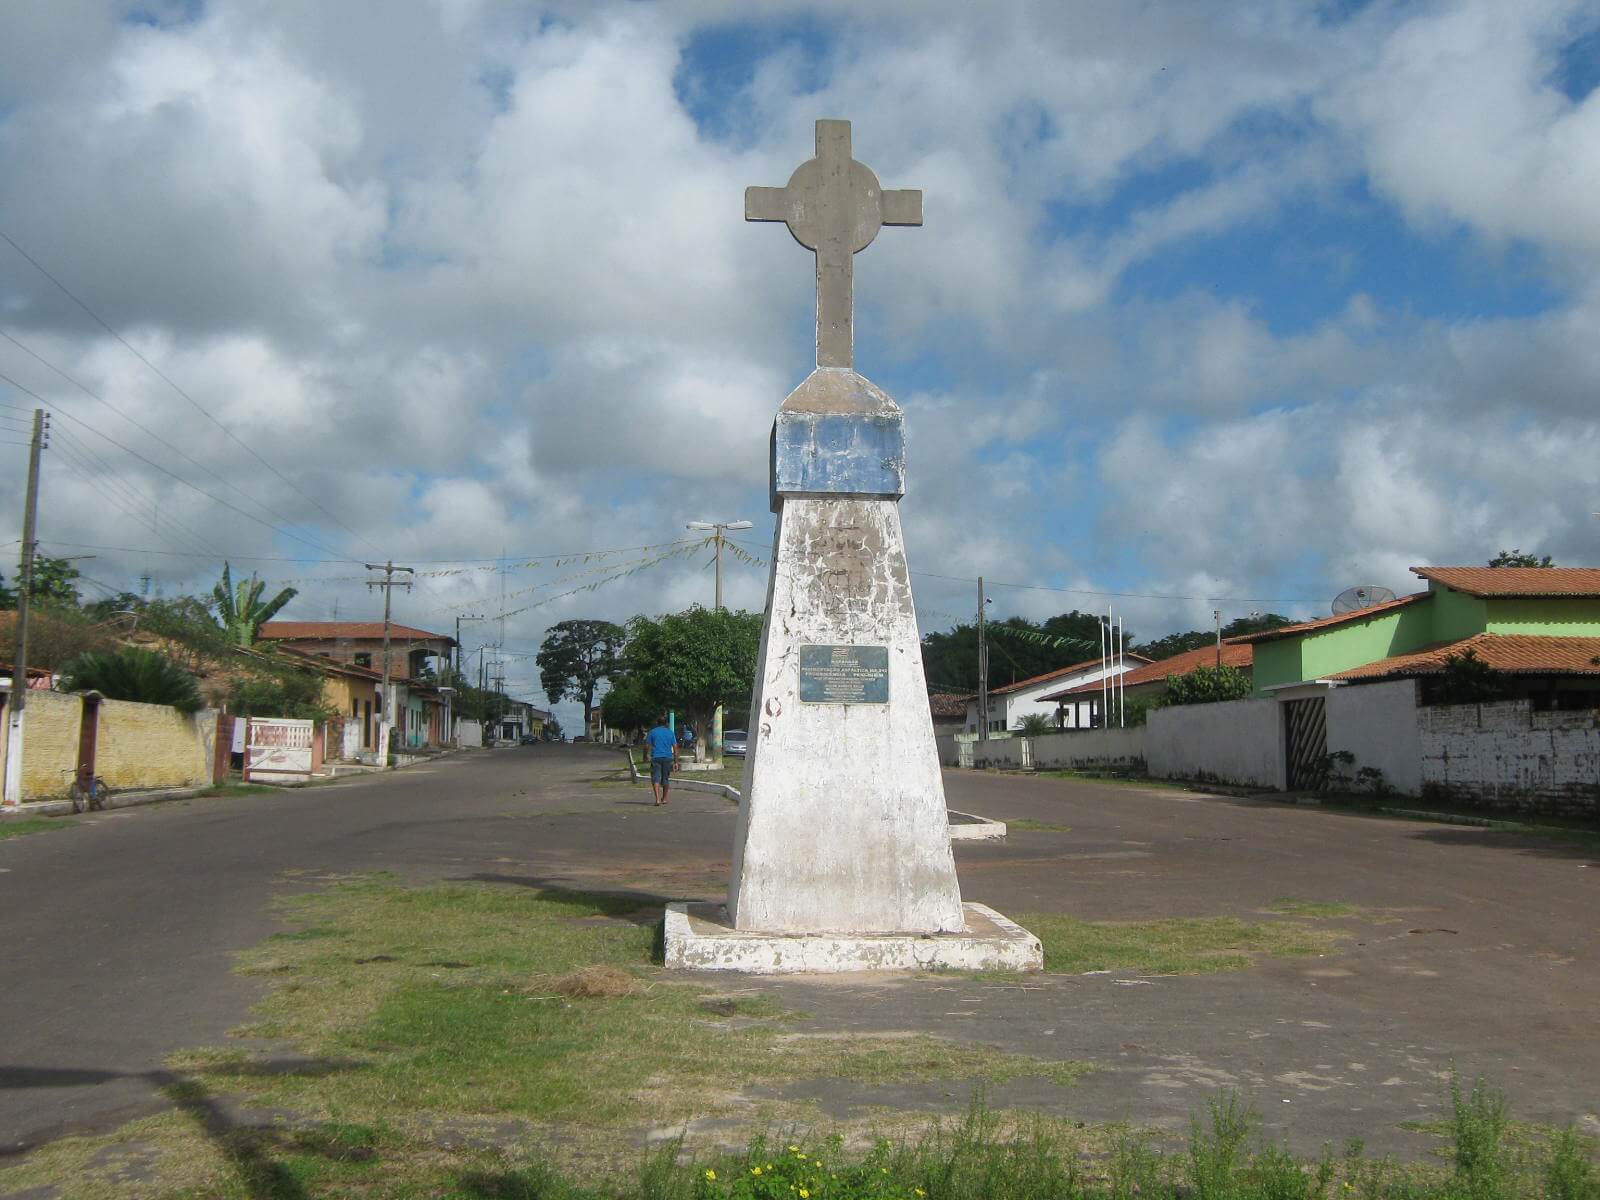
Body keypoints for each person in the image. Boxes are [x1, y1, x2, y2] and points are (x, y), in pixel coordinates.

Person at [645, 714, 678, 806]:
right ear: (666, 723)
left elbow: (647, 746)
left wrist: (645, 756)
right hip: (667, 758)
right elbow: (675, 747)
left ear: (657, 723)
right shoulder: (670, 732)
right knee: (665, 778)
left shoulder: (652, 732)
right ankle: (664, 798)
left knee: (656, 778)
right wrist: (676, 762)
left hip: (656, 757)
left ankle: (657, 799)